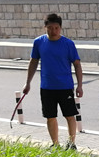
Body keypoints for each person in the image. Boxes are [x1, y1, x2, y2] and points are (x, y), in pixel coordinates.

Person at [23, 13, 83, 149]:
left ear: (60, 28)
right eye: (50, 27)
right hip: (47, 87)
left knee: (69, 115)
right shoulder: (39, 42)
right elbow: (33, 62)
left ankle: (71, 143)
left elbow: (77, 65)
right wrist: (28, 83)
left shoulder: (68, 44)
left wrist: (79, 86)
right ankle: (55, 144)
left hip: (65, 86)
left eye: (56, 28)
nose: (53, 31)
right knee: (50, 117)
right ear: (45, 27)